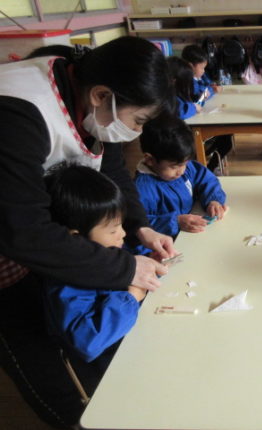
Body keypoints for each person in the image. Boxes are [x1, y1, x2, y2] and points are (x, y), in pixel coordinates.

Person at [0, 36, 178, 428]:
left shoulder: (90, 96)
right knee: (39, 358)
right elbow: (23, 232)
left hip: (42, 238)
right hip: (12, 247)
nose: (135, 133)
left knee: (63, 327)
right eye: (138, 121)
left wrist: (140, 226)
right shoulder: (17, 111)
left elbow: (110, 170)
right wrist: (125, 269)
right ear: (101, 95)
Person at [43, 164, 146, 396]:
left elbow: (128, 254)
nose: (123, 234)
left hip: (135, 339)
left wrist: (149, 258)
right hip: (112, 370)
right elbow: (88, 342)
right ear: (76, 238)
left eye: (121, 225)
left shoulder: (104, 248)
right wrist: (130, 298)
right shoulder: (67, 282)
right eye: (113, 230)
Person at [135, 115, 227, 246]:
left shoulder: (182, 165)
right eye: (174, 167)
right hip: (169, 245)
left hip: (191, 237)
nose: (182, 171)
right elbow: (140, 226)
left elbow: (206, 179)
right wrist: (175, 222)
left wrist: (213, 200)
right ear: (150, 160)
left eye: (185, 164)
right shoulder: (141, 190)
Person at [181, 45, 232, 173]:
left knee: (228, 135)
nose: (204, 71)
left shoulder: (199, 76)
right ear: (190, 66)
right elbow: (202, 96)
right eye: (202, 67)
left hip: (200, 117)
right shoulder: (187, 83)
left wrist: (210, 88)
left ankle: (210, 160)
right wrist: (210, 90)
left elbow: (208, 85)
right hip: (194, 127)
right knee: (226, 141)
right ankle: (209, 167)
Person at [166, 55, 201, 120]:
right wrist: (194, 108)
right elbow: (180, 113)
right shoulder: (169, 97)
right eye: (188, 82)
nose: (189, 86)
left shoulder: (177, 94)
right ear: (174, 81)